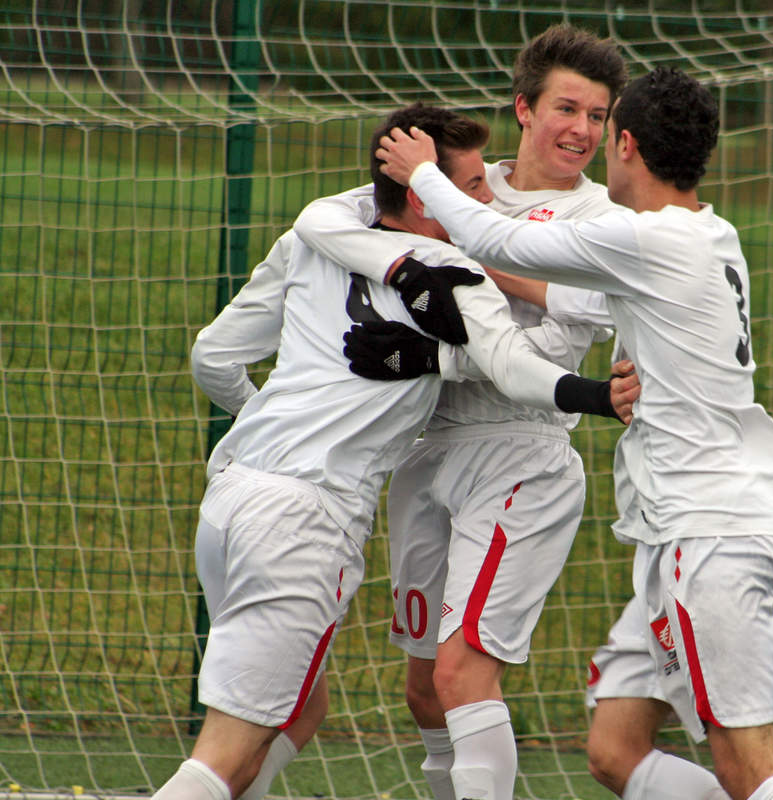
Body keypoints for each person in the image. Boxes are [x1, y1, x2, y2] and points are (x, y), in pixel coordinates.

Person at [164, 104, 637, 800]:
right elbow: (512, 366)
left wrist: (273, 418)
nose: (487, 200)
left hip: (234, 496)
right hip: (305, 521)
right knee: (223, 759)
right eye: (474, 187)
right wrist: (597, 396)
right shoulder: (452, 269)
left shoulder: (317, 235)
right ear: (423, 192)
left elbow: (213, 357)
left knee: (301, 710)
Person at [367, 66, 773, 800]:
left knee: (746, 768)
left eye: (602, 124)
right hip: (685, 532)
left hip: (708, 536)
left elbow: (488, 232)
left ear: (626, 144)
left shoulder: (646, 240)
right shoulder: (707, 234)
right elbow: (556, 287)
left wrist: (424, 175)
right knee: (615, 749)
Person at [286, 23, 628, 800]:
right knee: (424, 690)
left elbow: (559, 336)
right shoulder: (464, 178)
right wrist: (410, 246)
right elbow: (328, 219)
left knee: (462, 670)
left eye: (598, 116)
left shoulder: (601, 221)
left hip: (520, 451)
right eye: (567, 108)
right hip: (423, 445)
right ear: (524, 109)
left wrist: (459, 279)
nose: (581, 130)